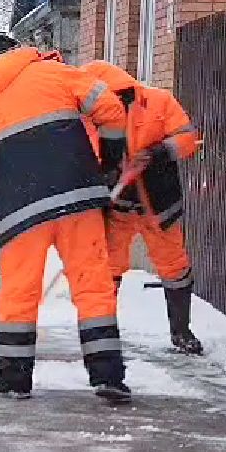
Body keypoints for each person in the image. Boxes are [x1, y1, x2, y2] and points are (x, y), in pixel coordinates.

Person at [0, 33, 135, 402]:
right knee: (93, 285)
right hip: (77, 195)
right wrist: (110, 162)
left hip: (17, 214)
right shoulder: (53, 73)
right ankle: (108, 375)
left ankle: (14, 378)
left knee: (18, 293)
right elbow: (110, 108)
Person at [80, 60, 207, 354]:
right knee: (107, 267)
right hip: (115, 206)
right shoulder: (87, 118)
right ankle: (103, 334)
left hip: (157, 202)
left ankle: (181, 331)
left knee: (174, 265)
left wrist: (156, 153)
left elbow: (187, 138)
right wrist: (107, 173)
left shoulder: (158, 102)